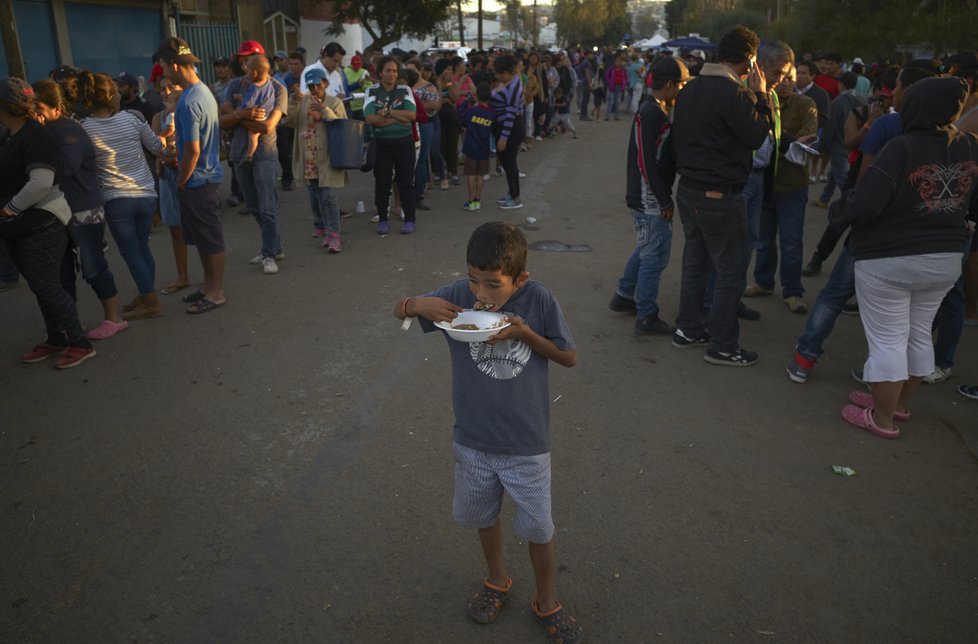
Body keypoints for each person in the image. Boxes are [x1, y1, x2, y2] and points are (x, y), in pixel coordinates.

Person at [393, 221, 582, 644]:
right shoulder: (458, 295)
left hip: (526, 443)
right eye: (474, 280)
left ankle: (546, 601)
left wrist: (524, 333)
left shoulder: (539, 300)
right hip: (472, 440)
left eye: (493, 285)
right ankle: (497, 580)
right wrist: (416, 304)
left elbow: (568, 357)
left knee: (538, 528)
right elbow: (399, 309)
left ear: (520, 279)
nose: (480, 295)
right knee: (483, 515)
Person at [827, 76, 978, 438]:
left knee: (888, 339)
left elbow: (866, 202)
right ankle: (897, 405)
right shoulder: (971, 146)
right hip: (944, 260)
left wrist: (839, 211)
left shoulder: (902, 147)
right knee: (918, 334)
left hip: (889, 259)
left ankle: (882, 418)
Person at [670, 25, 772, 366]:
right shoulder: (735, 94)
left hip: (689, 189)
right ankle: (723, 345)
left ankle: (688, 328)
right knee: (730, 270)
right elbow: (757, 136)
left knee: (695, 262)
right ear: (750, 59)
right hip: (719, 193)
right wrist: (761, 96)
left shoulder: (690, 89)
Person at [0, 77, 95, 368]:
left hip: (42, 223)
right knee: (40, 286)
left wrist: (9, 209)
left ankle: (79, 342)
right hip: (21, 226)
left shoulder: (35, 135)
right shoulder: (10, 135)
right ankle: (56, 338)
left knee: (47, 286)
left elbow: (41, 182)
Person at [33, 79, 126, 341]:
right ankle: (69, 323)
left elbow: (65, 168)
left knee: (93, 267)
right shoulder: (49, 130)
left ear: (56, 108)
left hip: (84, 210)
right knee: (62, 272)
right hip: (58, 212)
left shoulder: (67, 132)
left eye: (39, 106)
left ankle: (114, 318)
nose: (35, 113)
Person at [610, 57, 689, 335]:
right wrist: (663, 198)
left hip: (648, 195)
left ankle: (623, 295)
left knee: (647, 248)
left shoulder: (655, 110)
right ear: (669, 84)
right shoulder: (651, 113)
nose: (681, 89)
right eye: (680, 84)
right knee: (654, 257)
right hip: (649, 198)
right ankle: (646, 314)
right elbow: (645, 160)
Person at [80, 71, 165, 321]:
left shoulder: (85, 129)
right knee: (142, 247)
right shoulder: (131, 119)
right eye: (116, 91)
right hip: (146, 196)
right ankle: (146, 293)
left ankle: (150, 299)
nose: (119, 95)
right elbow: (158, 148)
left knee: (131, 252)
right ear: (109, 96)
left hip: (118, 200)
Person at [156, 36, 227, 314]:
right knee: (202, 237)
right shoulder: (202, 92)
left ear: (174, 65)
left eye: (163, 65)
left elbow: (192, 150)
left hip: (199, 179)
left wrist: (183, 181)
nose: (162, 71)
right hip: (205, 177)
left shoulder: (188, 101)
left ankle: (216, 292)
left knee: (210, 238)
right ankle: (207, 286)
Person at [749, 66, 819, 314]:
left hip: (792, 184)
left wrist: (776, 137)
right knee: (763, 240)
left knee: (790, 242)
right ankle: (763, 282)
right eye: (781, 78)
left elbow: (808, 136)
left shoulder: (806, 103)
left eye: (791, 78)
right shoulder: (760, 101)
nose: (787, 82)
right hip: (765, 183)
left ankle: (792, 291)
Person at [220, 43, 289, 275]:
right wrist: (243, 114)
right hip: (239, 154)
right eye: (241, 59)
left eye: (248, 59)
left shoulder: (278, 89)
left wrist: (238, 117)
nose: (243, 63)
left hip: (265, 156)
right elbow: (222, 119)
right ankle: (274, 245)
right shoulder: (234, 85)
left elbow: (268, 125)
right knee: (252, 204)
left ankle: (269, 253)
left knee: (268, 206)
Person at [288, 68, 348, 253]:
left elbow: (342, 125)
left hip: (328, 157)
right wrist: (294, 100)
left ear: (326, 84)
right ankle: (322, 227)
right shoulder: (303, 101)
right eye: (311, 86)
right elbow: (289, 122)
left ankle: (334, 234)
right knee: (315, 195)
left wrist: (325, 111)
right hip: (309, 157)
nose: (315, 89)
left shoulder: (335, 102)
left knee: (329, 196)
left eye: (318, 85)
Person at [364, 55, 417, 235]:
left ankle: (410, 220)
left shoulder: (405, 89)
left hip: (404, 143)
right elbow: (370, 118)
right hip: (382, 144)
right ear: (380, 73)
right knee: (382, 184)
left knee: (406, 183)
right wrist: (397, 119)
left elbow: (411, 116)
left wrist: (387, 112)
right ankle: (383, 221)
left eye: (394, 71)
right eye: (388, 70)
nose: (392, 74)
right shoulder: (372, 90)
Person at [152, 78, 192, 296]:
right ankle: (182, 275)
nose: (166, 92)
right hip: (168, 175)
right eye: (162, 89)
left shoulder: (189, 111)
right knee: (175, 228)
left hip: (189, 173)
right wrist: (162, 159)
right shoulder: (159, 117)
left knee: (198, 226)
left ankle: (210, 277)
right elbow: (156, 144)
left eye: (171, 87)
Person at [812, 72, 866, 207]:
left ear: (841, 85)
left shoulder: (838, 102)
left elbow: (830, 125)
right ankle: (824, 198)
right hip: (854, 143)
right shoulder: (861, 100)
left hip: (838, 144)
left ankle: (852, 204)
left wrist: (823, 145)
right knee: (833, 174)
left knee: (842, 178)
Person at [489, 55, 525, 211]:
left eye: (499, 73)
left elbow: (511, 115)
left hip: (509, 128)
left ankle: (516, 197)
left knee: (509, 164)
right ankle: (512, 194)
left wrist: (503, 138)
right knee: (508, 163)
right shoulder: (512, 82)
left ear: (506, 72)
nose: (497, 76)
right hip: (507, 126)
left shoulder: (513, 88)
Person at [460, 82, 494, 211]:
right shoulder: (492, 113)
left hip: (470, 147)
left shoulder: (472, 111)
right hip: (484, 147)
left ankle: (470, 200)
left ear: (477, 96)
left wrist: (467, 102)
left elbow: (461, 114)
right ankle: (477, 200)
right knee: (480, 175)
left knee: (470, 174)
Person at [343, 54, 371, 120]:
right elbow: (345, 87)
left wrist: (363, 86)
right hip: (349, 105)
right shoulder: (345, 71)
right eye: (355, 65)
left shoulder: (365, 72)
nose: (357, 67)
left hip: (361, 106)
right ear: (351, 64)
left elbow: (369, 89)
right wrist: (356, 84)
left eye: (359, 65)